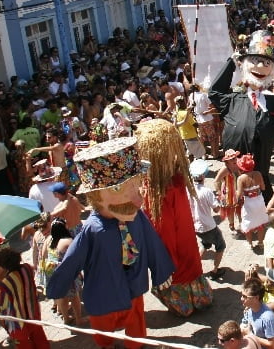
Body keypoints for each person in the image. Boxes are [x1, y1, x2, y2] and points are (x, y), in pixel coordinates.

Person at [46, 137, 175, 349]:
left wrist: (162, 270)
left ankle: (135, 345)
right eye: (118, 190)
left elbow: (152, 242)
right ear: (97, 195)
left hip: (133, 285)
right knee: (103, 329)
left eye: (135, 185)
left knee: (136, 325)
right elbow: (73, 258)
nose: (137, 200)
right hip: (104, 291)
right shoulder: (92, 229)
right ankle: (106, 344)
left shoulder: (137, 216)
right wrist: (59, 285)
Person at [209, 30, 274, 202]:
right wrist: (231, 63)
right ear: (245, 65)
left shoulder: (272, 101)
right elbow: (214, 91)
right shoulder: (233, 99)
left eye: (266, 63)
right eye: (256, 61)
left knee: (260, 195)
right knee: (235, 196)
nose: (260, 67)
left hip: (261, 164)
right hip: (235, 164)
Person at [135, 119, 214, 317]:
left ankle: (183, 303)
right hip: (187, 252)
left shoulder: (158, 191)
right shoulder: (178, 178)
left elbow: (164, 232)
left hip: (174, 261)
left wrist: (162, 265)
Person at [0, 247, 50, 349]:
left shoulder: (6, 282)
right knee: (39, 338)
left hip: (18, 319)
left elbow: (2, 304)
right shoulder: (27, 268)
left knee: (24, 344)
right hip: (33, 311)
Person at [188, 159, 227, 279]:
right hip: (208, 225)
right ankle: (215, 271)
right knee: (221, 246)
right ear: (204, 175)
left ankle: (195, 267)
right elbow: (216, 209)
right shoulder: (206, 191)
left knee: (205, 244)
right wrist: (221, 200)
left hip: (195, 225)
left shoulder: (188, 189)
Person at [236, 154, 270, 249]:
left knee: (248, 223)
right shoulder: (258, 174)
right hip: (259, 200)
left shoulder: (241, 178)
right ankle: (260, 243)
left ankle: (250, 244)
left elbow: (239, 195)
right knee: (260, 222)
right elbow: (263, 187)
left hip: (249, 203)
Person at [241, 277, 274, 349]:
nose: (241, 299)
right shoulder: (249, 309)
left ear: (256, 298)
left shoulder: (268, 317)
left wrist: (250, 335)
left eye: (245, 296)